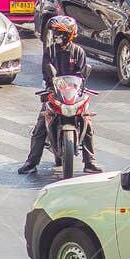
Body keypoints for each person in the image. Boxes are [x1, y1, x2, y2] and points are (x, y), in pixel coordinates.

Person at [19, 14, 100, 174]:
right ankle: (31, 162)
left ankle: (89, 162)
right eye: (56, 33)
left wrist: (79, 90)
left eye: (61, 33)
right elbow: (46, 72)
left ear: (70, 34)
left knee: (87, 123)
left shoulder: (78, 52)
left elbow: (82, 77)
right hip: (54, 93)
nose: (57, 36)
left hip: (74, 95)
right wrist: (49, 86)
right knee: (41, 125)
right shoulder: (50, 51)